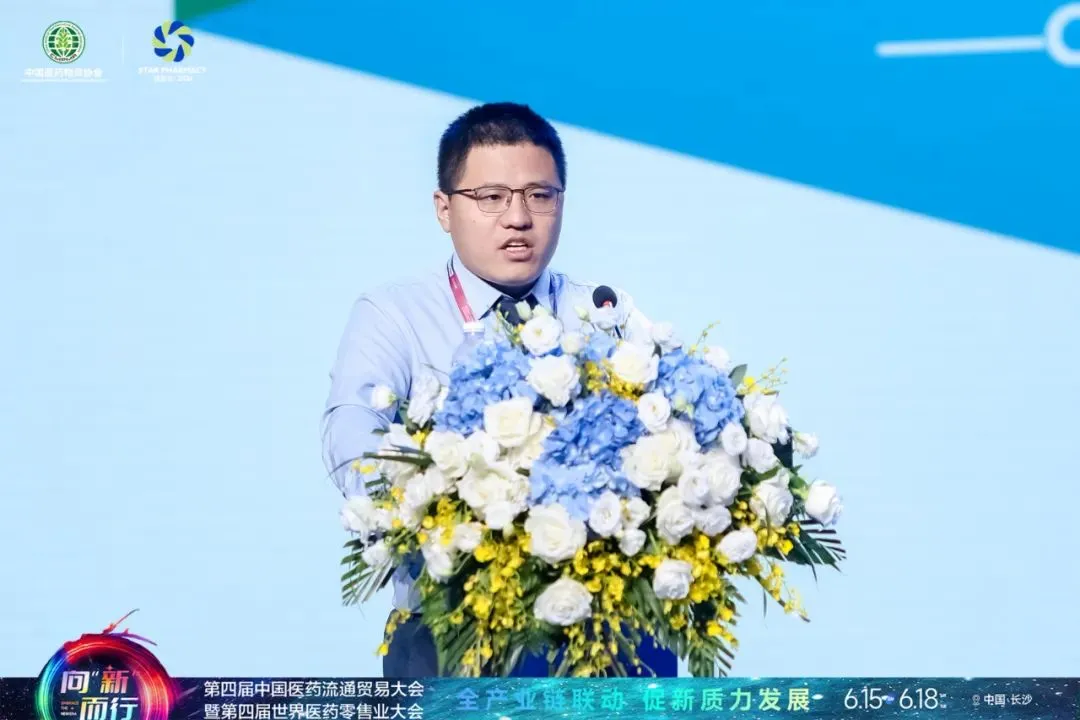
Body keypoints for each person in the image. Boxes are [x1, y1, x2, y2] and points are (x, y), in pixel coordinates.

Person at [320, 102, 676, 678]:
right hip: (450, 635)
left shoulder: (603, 311)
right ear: (444, 208)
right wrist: (446, 504)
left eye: (540, 195)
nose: (518, 218)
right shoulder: (394, 314)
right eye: (490, 197)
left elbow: (677, 427)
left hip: (611, 633)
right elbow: (351, 436)